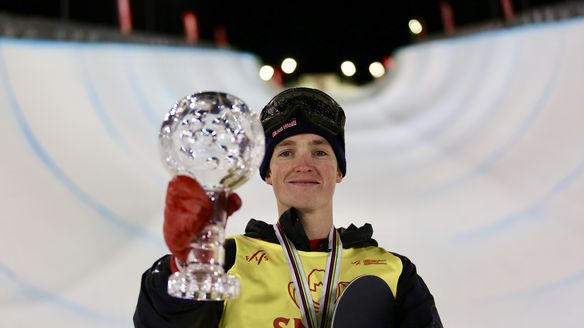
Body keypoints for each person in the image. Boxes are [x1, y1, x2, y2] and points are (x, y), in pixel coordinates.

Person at [133, 87, 443, 327]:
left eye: (320, 152)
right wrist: (189, 263)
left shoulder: (394, 272)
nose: (304, 164)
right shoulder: (227, 262)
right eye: (286, 153)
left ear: (339, 171)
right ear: (267, 173)